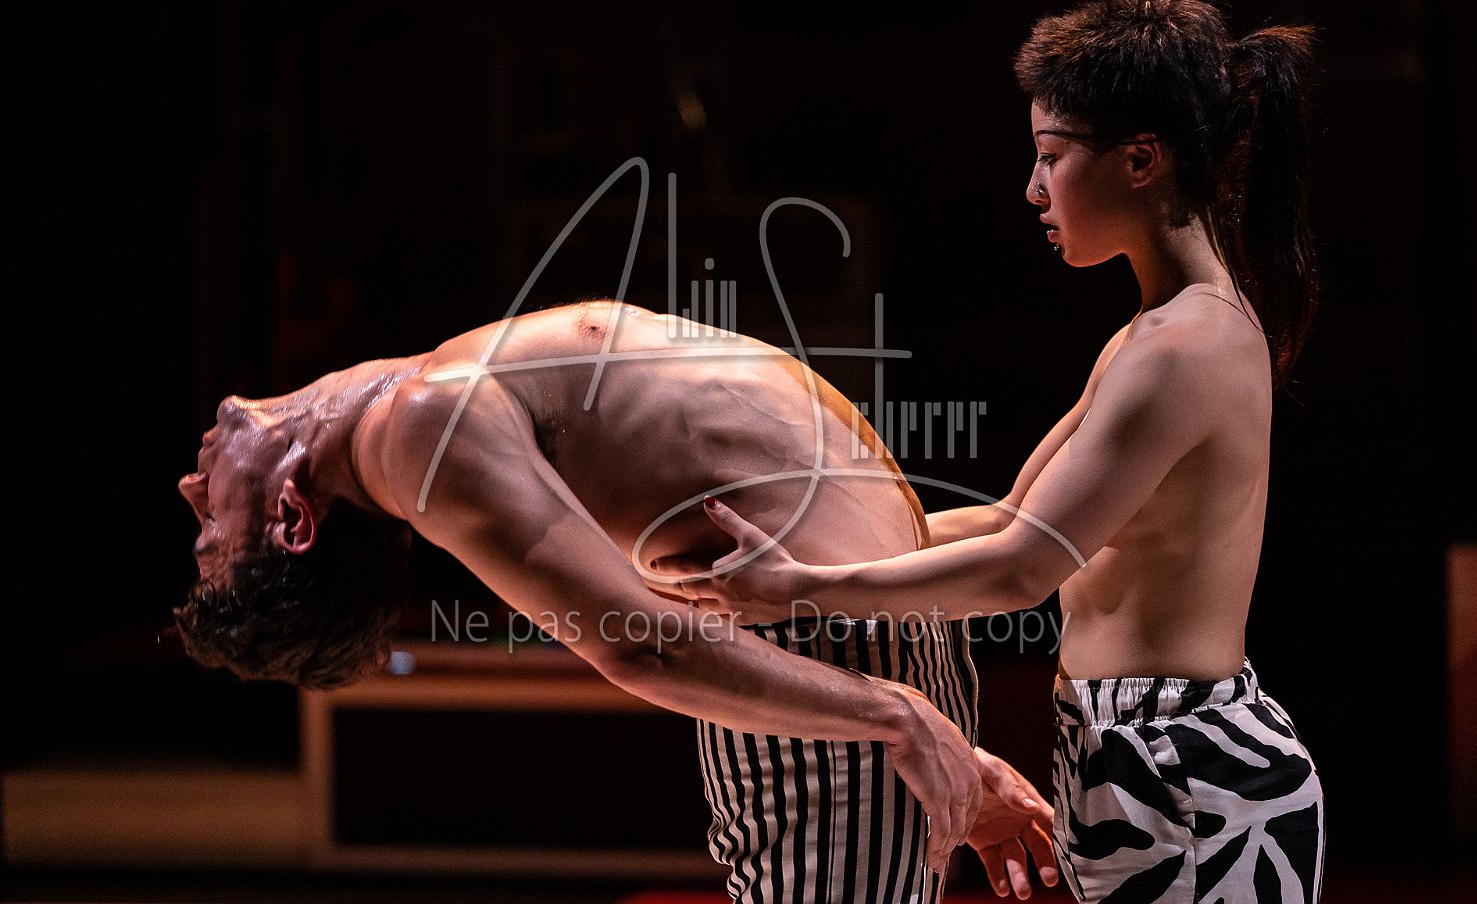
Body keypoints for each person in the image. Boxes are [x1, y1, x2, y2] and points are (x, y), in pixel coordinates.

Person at [654, 0, 1326, 903]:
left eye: (1052, 155)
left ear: (1141, 159)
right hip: (1139, 753)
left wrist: (801, 587)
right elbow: (1010, 516)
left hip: (1189, 767)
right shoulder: (1154, 333)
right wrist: (792, 548)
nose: (1033, 189)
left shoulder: (1185, 346)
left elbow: (1019, 569)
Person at [170, 299, 1057, 903]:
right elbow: (642, 643)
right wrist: (899, 715)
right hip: (834, 672)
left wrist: (913, 714)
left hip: (849, 655)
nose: (191, 487)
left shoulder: (417, 405)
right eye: (212, 526)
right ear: (292, 519)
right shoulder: (419, 430)